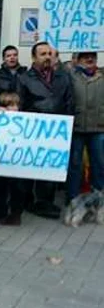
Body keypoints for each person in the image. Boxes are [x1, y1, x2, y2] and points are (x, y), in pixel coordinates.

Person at [19, 41, 74, 219]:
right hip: (32, 130)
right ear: (34, 57)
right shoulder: (24, 78)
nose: (47, 57)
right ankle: (26, 200)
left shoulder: (63, 77)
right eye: (43, 54)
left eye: (50, 54)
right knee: (30, 167)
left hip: (56, 130)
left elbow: (69, 102)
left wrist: (67, 123)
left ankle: (45, 202)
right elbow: (19, 104)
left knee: (49, 167)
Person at [66, 51, 104, 203]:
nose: (89, 59)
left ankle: (99, 199)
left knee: (99, 163)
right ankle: (73, 199)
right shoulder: (70, 76)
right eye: (85, 56)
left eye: (92, 56)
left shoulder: (102, 76)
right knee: (75, 165)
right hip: (77, 127)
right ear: (78, 59)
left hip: (99, 127)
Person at [0, 92, 25, 226]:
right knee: (3, 187)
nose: (15, 108)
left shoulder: (23, 119)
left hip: (16, 158)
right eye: (11, 105)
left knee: (18, 188)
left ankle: (15, 214)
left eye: (17, 105)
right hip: (2, 159)